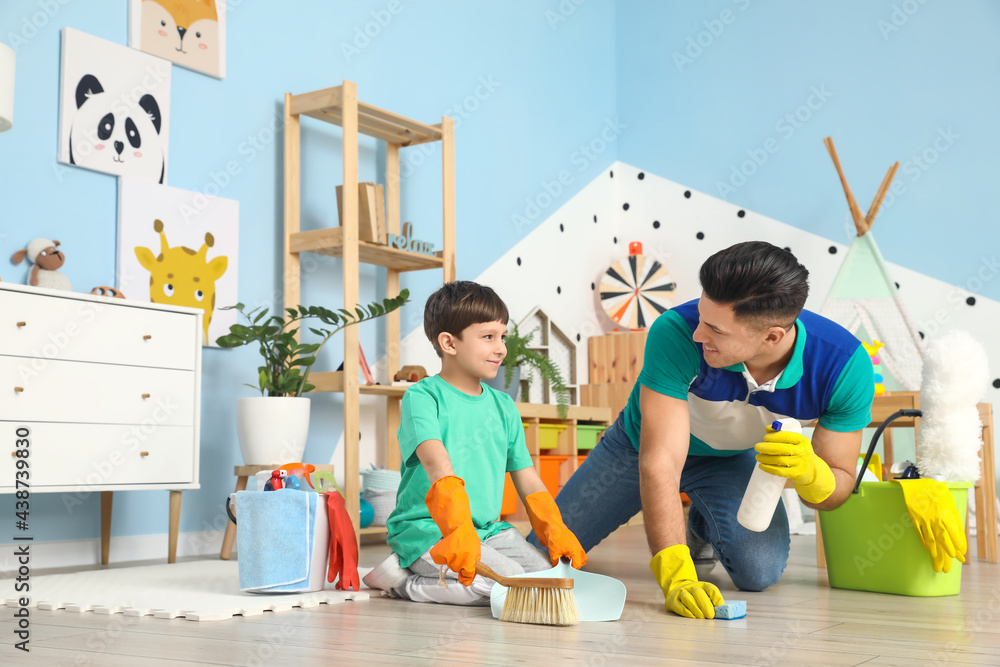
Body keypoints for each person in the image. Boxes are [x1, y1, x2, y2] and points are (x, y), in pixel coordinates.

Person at [535, 241, 874, 618]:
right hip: (636, 449)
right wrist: (675, 574)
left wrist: (814, 474)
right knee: (538, 557)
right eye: (701, 316)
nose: (699, 334)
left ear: (772, 336)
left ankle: (700, 523)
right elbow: (660, 461)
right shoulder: (675, 333)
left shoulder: (844, 367)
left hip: (728, 461)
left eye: (715, 329)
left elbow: (839, 484)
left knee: (759, 572)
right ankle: (691, 533)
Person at [363, 281, 586, 605]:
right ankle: (402, 583)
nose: (501, 349)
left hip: (488, 531)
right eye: (488, 337)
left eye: (503, 336)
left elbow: (526, 476)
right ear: (449, 343)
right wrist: (455, 529)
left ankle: (441, 575)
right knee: (508, 587)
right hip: (429, 533)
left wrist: (553, 527)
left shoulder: (503, 406)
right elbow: (436, 462)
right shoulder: (422, 397)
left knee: (548, 581)